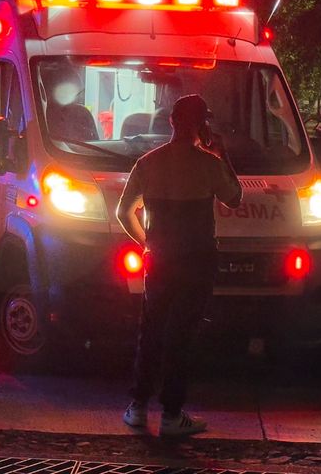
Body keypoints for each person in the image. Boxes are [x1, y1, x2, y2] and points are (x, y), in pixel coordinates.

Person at [116, 94, 242, 437]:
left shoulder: (148, 163)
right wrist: (222, 154)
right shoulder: (209, 164)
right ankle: (172, 414)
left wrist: (146, 242)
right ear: (202, 125)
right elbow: (235, 197)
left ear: (171, 122)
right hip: (198, 261)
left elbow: (123, 211)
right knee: (182, 335)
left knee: (152, 330)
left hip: (159, 259)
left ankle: (138, 408)